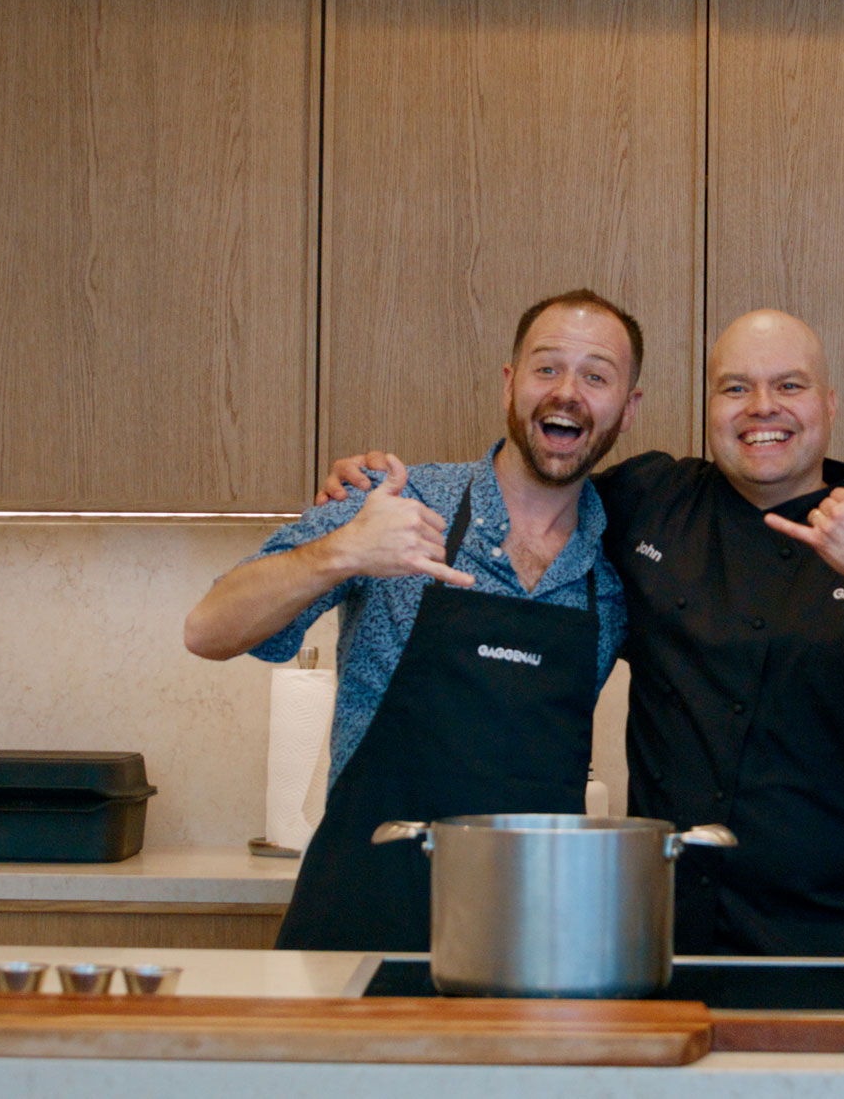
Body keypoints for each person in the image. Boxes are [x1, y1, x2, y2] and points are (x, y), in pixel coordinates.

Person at [322, 308, 844, 957]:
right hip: (661, 945)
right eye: (734, 387)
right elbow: (538, 483)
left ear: (828, 404)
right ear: (707, 407)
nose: (761, 407)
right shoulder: (647, 501)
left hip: (841, 950)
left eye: (788, 386)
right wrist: (368, 486)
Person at [184, 288, 641, 951]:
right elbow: (207, 629)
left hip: (530, 948)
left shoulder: (619, 568)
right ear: (509, 386)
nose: (566, 391)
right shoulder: (395, 502)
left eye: (595, 376)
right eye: (546, 368)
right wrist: (342, 550)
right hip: (362, 929)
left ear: (626, 410)